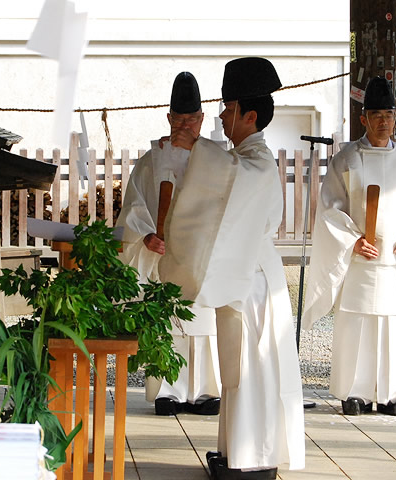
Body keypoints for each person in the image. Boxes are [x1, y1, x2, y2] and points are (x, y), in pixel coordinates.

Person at [158, 57, 305, 480]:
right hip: (246, 279)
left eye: (228, 108)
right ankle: (236, 451)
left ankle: (254, 457)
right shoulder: (243, 158)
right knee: (237, 371)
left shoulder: (256, 161)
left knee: (253, 370)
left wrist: (196, 148)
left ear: (249, 115)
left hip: (255, 284)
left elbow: (228, 177)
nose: (221, 117)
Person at [302, 76, 396, 417]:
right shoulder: (347, 159)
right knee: (358, 325)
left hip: (395, 260)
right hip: (360, 260)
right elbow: (330, 209)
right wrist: (352, 242)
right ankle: (356, 392)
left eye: (389, 114)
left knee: (395, 326)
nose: (383, 121)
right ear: (363, 118)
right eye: (376, 114)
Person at [116, 71, 221, 416]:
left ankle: (206, 391)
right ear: (169, 118)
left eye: (192, 119)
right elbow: (133, 205)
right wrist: (145, 234)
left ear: (202, 120)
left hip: (200, 257)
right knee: (166, 321)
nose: (186, 125)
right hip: (159, 256)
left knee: (202, 322)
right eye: (179, 118)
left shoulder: (213, 160)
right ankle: (167, 391)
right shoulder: (151, 162)